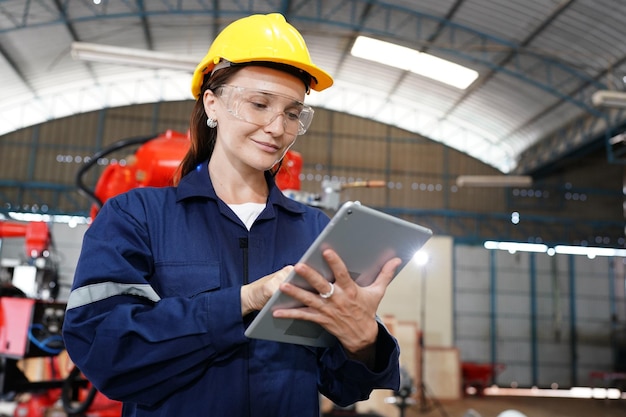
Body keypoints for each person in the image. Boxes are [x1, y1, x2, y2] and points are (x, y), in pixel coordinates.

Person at [62, 13, 402, 417]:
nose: (277, 128)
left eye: (293, 113)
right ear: (212, 103)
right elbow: (105, 349)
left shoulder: (315, 232)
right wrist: (242, 301)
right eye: (259, 104)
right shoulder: (136, 216)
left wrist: (363, 341)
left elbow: (343, 386)